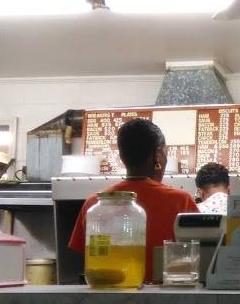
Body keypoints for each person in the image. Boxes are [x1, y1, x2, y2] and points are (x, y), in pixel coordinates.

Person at [68, 119, 198, 283]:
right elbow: (197, 255)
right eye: (165, 153)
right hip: (165, 294)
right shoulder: (180, 201)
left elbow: (84, 257)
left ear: (121, 156)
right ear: (158, 155)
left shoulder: (95, 203)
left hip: (109, 293)